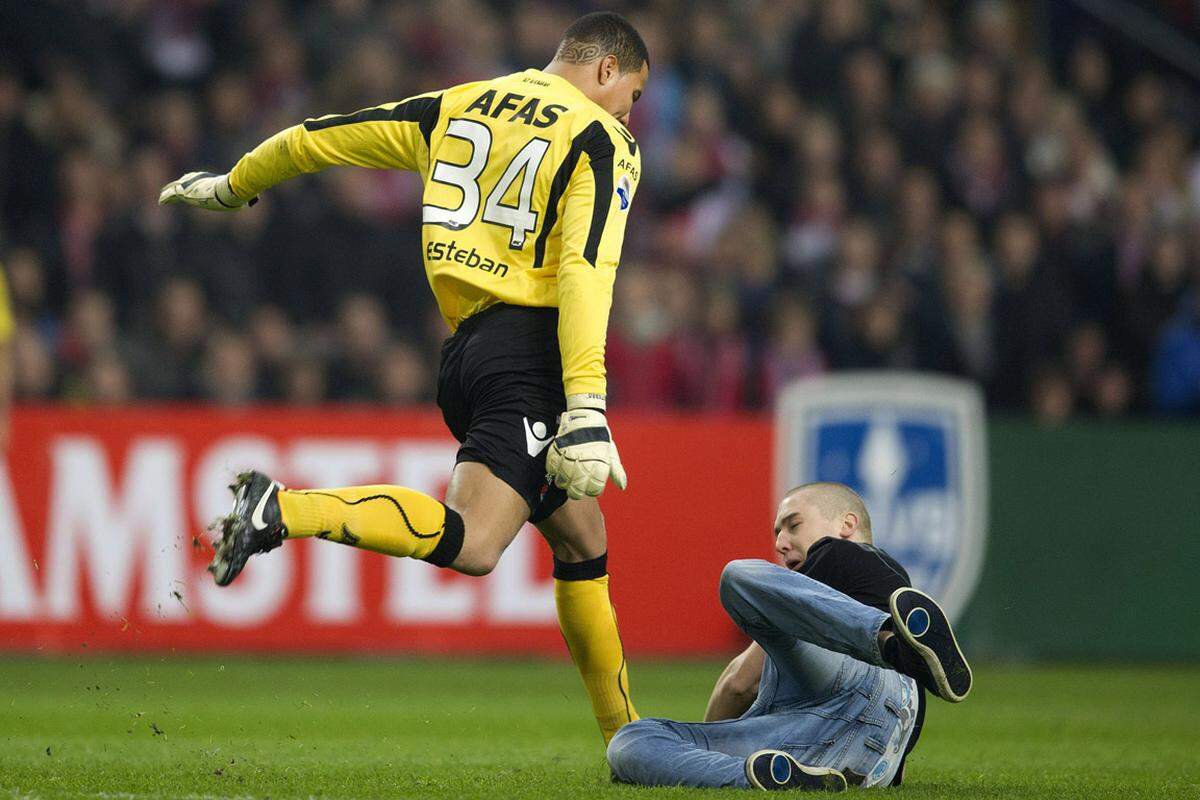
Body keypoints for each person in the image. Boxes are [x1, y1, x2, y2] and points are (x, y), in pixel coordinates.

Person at [159, 12, 648, 745]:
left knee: (582, 540)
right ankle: (284, 510)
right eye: (633, 93)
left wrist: (234, 184)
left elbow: (317, 136)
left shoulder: (456, 104)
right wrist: (586, 402)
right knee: (477, 544)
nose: (629, 110)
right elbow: (585, 269)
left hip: (464, 352)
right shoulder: (605, 140)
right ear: (608, 69)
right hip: (532, 355)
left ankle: (627, 739)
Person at [606, 482, 972, 791]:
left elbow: (740, 682)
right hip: (857, 761)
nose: (781, 542)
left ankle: (889, 644)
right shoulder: (887, 581)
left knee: (739, 576)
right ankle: (776, 778)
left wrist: (711, 742)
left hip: (865, 681)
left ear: (847, 523)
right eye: (777, 533)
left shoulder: (838, 553)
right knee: (630, 740)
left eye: (793, 525)